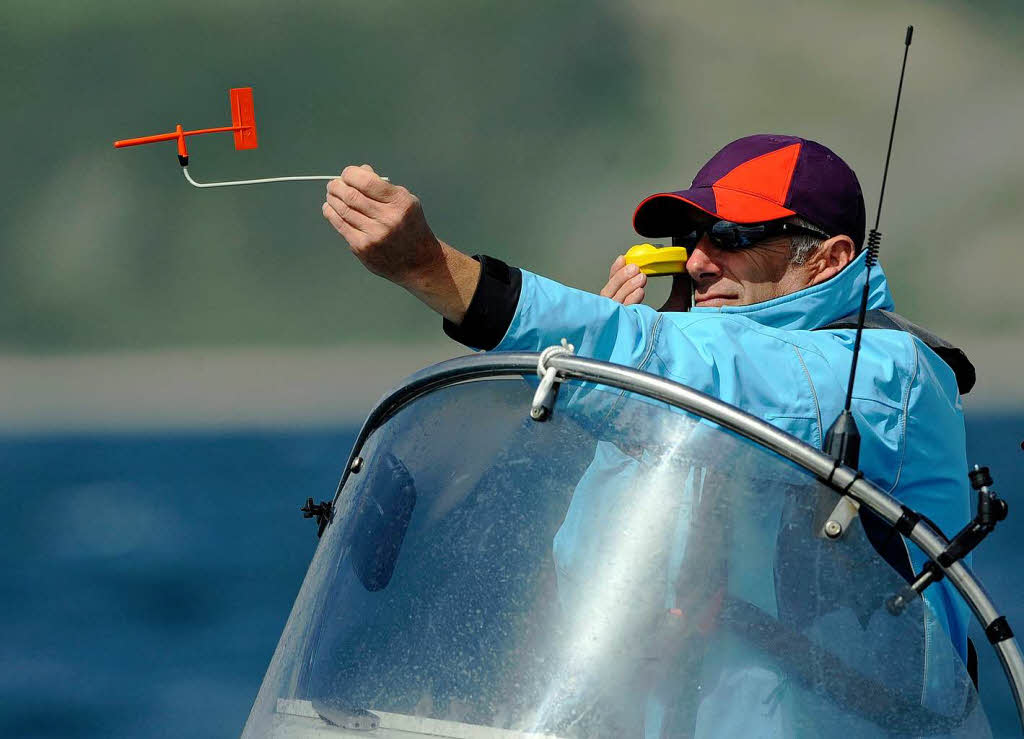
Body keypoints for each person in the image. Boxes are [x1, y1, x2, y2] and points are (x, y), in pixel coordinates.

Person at [321, 134, 976, 727]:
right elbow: (584, 573)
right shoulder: (685, 388)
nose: (696, 262)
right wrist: (597, 391)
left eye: (730, 235)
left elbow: (721, 373)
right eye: (690, 238)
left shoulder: (881, 374)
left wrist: (434, 269)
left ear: (828, 259)